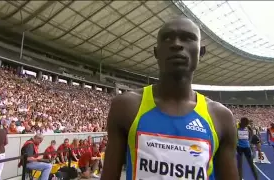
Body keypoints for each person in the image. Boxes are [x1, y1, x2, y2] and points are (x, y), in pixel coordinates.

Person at [101, 17, 238, 180]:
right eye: (167, 38)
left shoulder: (221, 117)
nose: (176, 44)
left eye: (188, 38)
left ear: (201, 52)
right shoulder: (125, 107)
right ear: (157, 53)